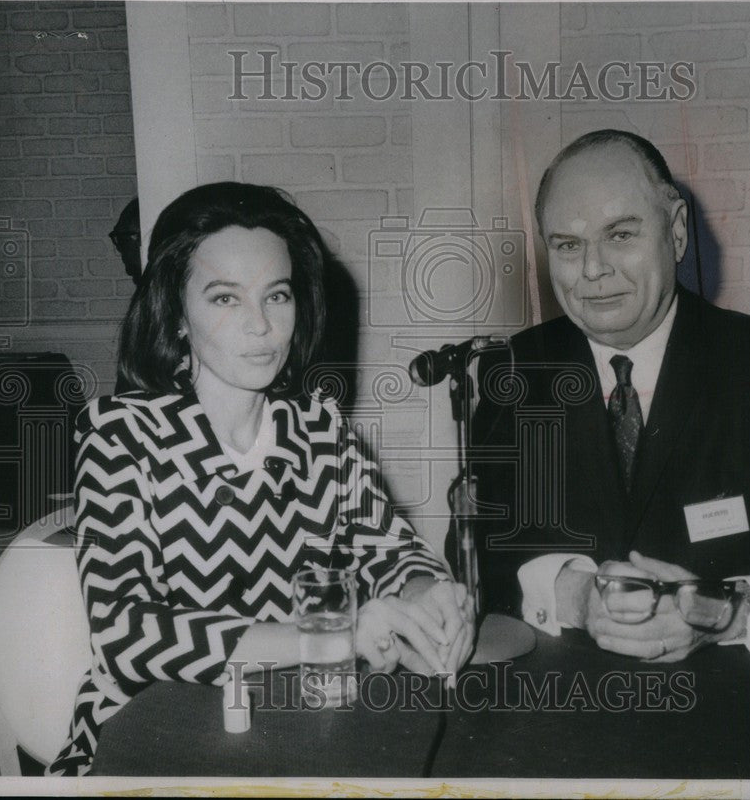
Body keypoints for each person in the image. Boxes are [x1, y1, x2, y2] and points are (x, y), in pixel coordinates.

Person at [48, 182, 473, 776]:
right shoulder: (118, 436)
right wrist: (327, 637)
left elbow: (391, 551)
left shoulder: (320, 431)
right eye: (225, 299)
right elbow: (126, 632)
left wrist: (428, 597)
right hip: (147, 740)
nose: (261, 325)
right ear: (175, 314)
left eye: (277, 296)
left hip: (296, 733)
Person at [467, 130, 750, 662]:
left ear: (677, 232)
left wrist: (723, 614)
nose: (592, 269)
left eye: (620, 235)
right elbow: (476, 558)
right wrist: (572, 594)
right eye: (568, 245)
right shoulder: (511, 372)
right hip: (555, 714)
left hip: (730, 715)